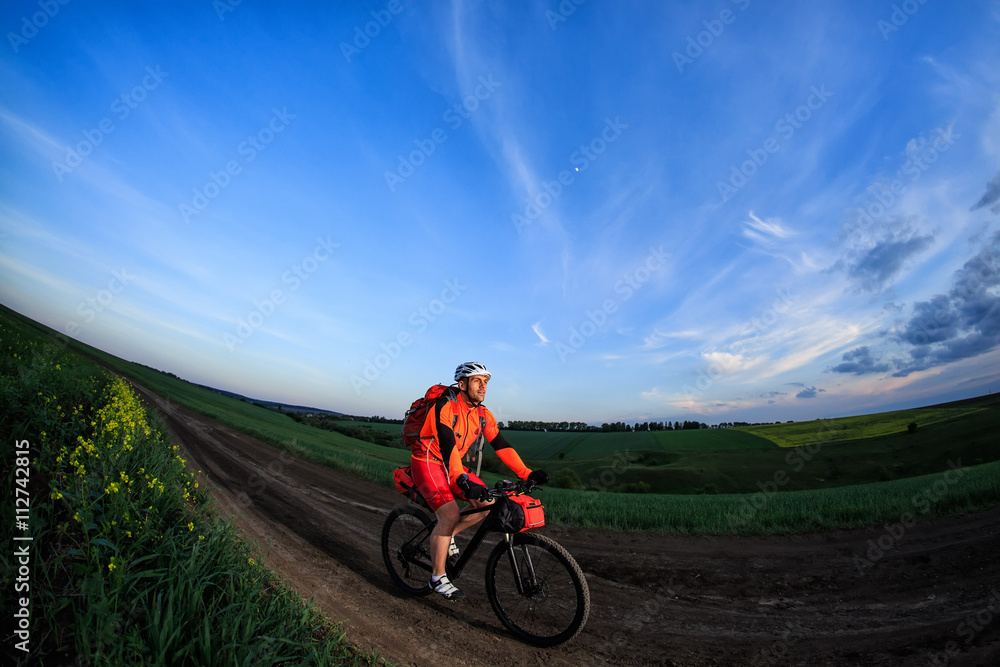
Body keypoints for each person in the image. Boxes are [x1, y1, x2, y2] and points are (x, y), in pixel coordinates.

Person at [409, 361, 548, 600]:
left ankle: (448, 535)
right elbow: (447, 443)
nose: (483, 386)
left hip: (452, 465)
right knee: (450, 515)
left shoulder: (483, 414)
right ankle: (437, 577)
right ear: (462, 384)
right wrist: (459, 477)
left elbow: (500, 445)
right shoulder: (445, 406)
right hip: (427, 461)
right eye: (477, 381)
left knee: (486, 504)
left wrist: (526, 473)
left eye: (486, 382)